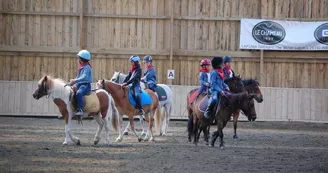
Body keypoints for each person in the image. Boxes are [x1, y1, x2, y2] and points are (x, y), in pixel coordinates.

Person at [68, 50, 93, 116]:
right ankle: (69, 109)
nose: (78, 59)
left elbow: (84, 77)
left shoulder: (87, 67)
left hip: (85, 85)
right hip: (79, 84)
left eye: (78, 58)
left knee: (79, 93)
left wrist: (75, 81)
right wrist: (72, 82)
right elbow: (78, 77)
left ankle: (80, 109)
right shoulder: (82, 67)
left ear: (81, 59)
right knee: (69, 91)